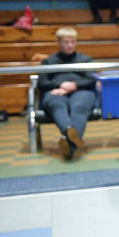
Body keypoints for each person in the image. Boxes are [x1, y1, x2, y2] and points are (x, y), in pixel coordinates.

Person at [38, 27, 95, 160]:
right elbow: (42, 83)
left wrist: (73, 86)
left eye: (73, 42)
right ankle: (70, 132)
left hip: (81, 91)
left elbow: (91, 80)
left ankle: (69, 142)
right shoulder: (48, 62)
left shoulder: (86, 60)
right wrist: (60, 86)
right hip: (55, 91)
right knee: (57, 104)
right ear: (58, 43)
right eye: (66, 42)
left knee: (79, 106)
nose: (70, 45)